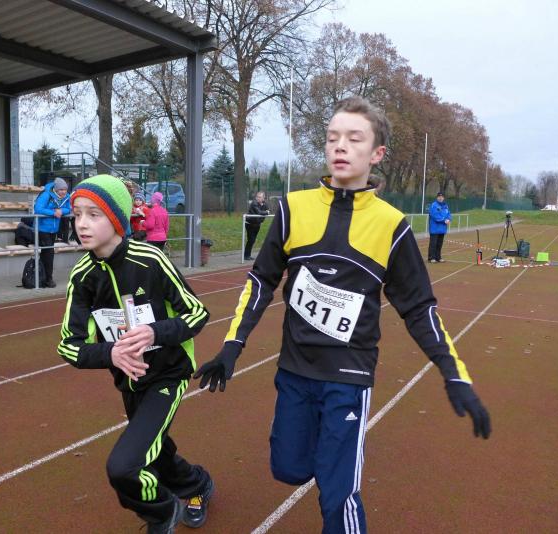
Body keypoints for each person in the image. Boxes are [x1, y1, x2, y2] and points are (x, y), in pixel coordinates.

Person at [194, 96, 490, 534]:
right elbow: (260, 283)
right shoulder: (292, 209)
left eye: (354, 138)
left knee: (339, 494)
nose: (340, 146)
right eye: (333, 137)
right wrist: (231, 347)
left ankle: (340, 472)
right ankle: (330, 456)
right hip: (295, 370)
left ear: (376, 153)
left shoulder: (391, 225)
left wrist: (454, 374)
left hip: (348, 378)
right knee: (288, 468)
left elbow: (418, 309)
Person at [58, 175, 214, 533]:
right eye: (77, 214)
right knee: (156, 450)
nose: (82, 224)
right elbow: (69, 344)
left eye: (93, 214)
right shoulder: (82, 277)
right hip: (129, 381)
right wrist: (110, 353)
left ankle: (161, 512)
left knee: (125, 466)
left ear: (116, 218)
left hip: (168, 374)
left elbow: (197, 313)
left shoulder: (150, 260)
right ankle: (197, 484)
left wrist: (154, 331)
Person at [33, 177, 71, 287]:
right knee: (49, 253)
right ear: (56, 189)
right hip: (42, 229)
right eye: (61, 190)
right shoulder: (46, 195)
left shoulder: (66, 197)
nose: (64, 192)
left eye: (65, 190)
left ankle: (42, 278)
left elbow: (69, 208)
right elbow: (38, 209)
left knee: (46, 253)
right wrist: (53, 212)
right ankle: (48, 279)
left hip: (54, 229)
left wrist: (61, 211)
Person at [244, 191, 270, 260]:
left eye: (260, 197)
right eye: (257, 197)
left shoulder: (265, 204)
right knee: (251, 240)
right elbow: (259, 212)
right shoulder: (254, 203)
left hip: (257, 224)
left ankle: (248, 255)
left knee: (253, 240)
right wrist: (266, 212)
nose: (258, 198)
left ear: (263, 198)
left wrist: (266, 212)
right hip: (250, 224)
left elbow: (268, 210)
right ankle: (246, 255)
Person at [428, 191, 451, 263]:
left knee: (439, 244)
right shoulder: (433, 205)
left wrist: (448, 219)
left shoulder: (445, 206)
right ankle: (431, 257)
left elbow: (448, 214)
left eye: (442, 197)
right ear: (437, 197)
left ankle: (438, 257)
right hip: (434, 229)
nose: (440, 198)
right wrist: (444, 220)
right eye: (439, 197)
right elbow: (435, 216)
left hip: (442, 229)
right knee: (433, 244)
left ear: (444, 198)